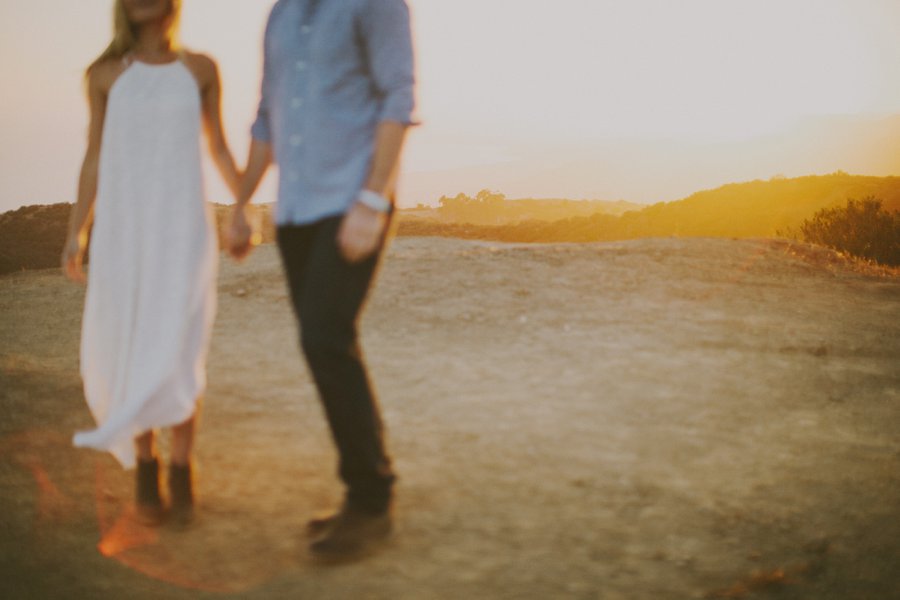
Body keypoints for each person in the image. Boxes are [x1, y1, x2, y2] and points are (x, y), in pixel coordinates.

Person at [228, 0, 417, 559]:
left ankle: (371, 500)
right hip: (295, 211)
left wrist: (372, 199)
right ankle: (367, 483)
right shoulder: (281, 16)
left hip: (352, 200)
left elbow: (398, 97)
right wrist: (241, 204)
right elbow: (266, 116)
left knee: (324, 338)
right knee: (326, 343)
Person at [62, 0, 240, 526]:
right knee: (137, 340)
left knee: (182, 346)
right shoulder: (104, 75)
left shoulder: (200, 69)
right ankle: (147, 469)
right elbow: (94, 156)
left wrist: (244, 205)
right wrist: (78, 230)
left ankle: (182, 470)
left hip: (183, 229)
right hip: (125, 233)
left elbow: (220, 148)